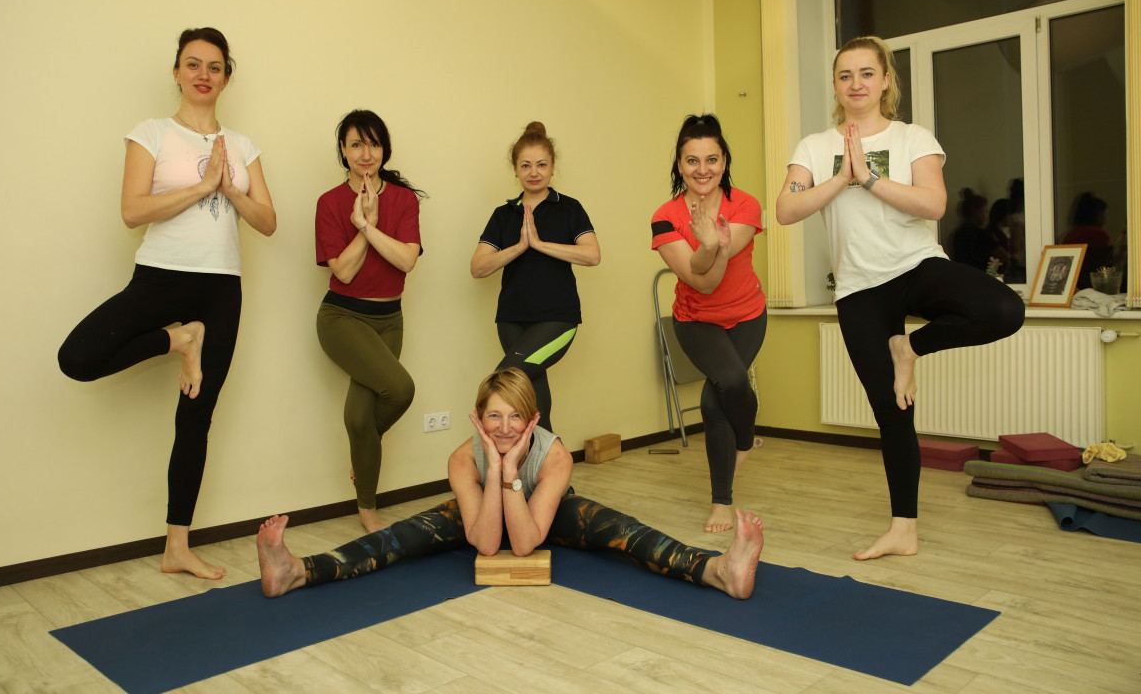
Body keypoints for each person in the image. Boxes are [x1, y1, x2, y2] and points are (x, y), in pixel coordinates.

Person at [775, 36, 1024, 561]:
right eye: (845, 75)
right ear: (835, 84)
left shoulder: (912, 137)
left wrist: (868, 178)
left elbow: (933, 205)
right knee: (893, 412)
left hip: (915, 267)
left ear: (886, 80)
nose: (856, 84)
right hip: (858, 289)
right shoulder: (815, 146)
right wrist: (841, 176)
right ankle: (903, 530)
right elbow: (786, 210)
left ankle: (909, 348)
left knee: (1004, 309)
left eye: (867, 73)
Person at [57, 27, 277, 579]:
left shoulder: (243, 146)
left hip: (221, 285)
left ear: (227, 78)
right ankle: (181, 339)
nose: (204, 74)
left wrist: (230, 187)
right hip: (160, 276)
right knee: (78, 356)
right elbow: (132, 211)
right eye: (193, 64)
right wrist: (202, 186)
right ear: (176, 72)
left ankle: (177, 547)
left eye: (215, 66)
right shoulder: (151, 133)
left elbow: (268, 222)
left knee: (195, 417)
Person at [256, 368, 764, 601]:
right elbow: (485, 541)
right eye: (493, 416)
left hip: (545, 513)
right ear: (478, 418)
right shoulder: (463, 458)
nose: (503, 428)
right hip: (482, 511)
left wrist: (511, 473)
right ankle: (295, 572)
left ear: (533, 419)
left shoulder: (555, 456)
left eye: (515, 417)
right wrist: (496, 475)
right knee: (399, 538)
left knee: (625, 532)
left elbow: (523, 544)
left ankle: (719, 570)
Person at [650, 114, 766, 534]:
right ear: (680, 165)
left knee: (717, 398)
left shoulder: (746, 206)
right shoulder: (664, 217)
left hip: (747, 315)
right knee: (728, 384)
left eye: (712, 159)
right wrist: (710, 242)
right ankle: (732, 475)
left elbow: (719, 263)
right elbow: (700, 279)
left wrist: (712, 243)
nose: (703, 169)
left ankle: (725, 488)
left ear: (724, 161)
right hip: (695, 321)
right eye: (693, 160)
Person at [315, 109, 425, 533]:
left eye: (373, 144)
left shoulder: (404, 200)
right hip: (341, 318)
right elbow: (342, 272)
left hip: (389, 319)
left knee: (361, 420)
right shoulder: (329, 203)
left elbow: (407, 261)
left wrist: (370, 226)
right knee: (401, 388)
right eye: (356, 144)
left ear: (385, 149)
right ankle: (368, 508)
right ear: (343, 151)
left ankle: (363, 488)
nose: (366, 153)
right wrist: (362, 226)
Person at [470, 122, 600, 431]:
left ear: (553, 167)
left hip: (557, 319)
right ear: (515, 169)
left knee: (503, 382)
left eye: (541, 164)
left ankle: (483, 454)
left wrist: (540, 244)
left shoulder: (569, 208)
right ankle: (550, 462)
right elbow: (478, 268)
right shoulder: (504, 215)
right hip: (511, 320)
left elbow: (592, 255)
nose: (534, 172)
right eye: (525, 165)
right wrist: (519, 247)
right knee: (534, 403)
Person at [947, 188, 1008, 272]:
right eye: (985, 211)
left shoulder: (957, 233)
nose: (986, 216)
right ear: (976, 212)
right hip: (979, 275)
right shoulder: (980, 234)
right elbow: (1003, 256)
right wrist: (991, 272)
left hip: (962, 275)